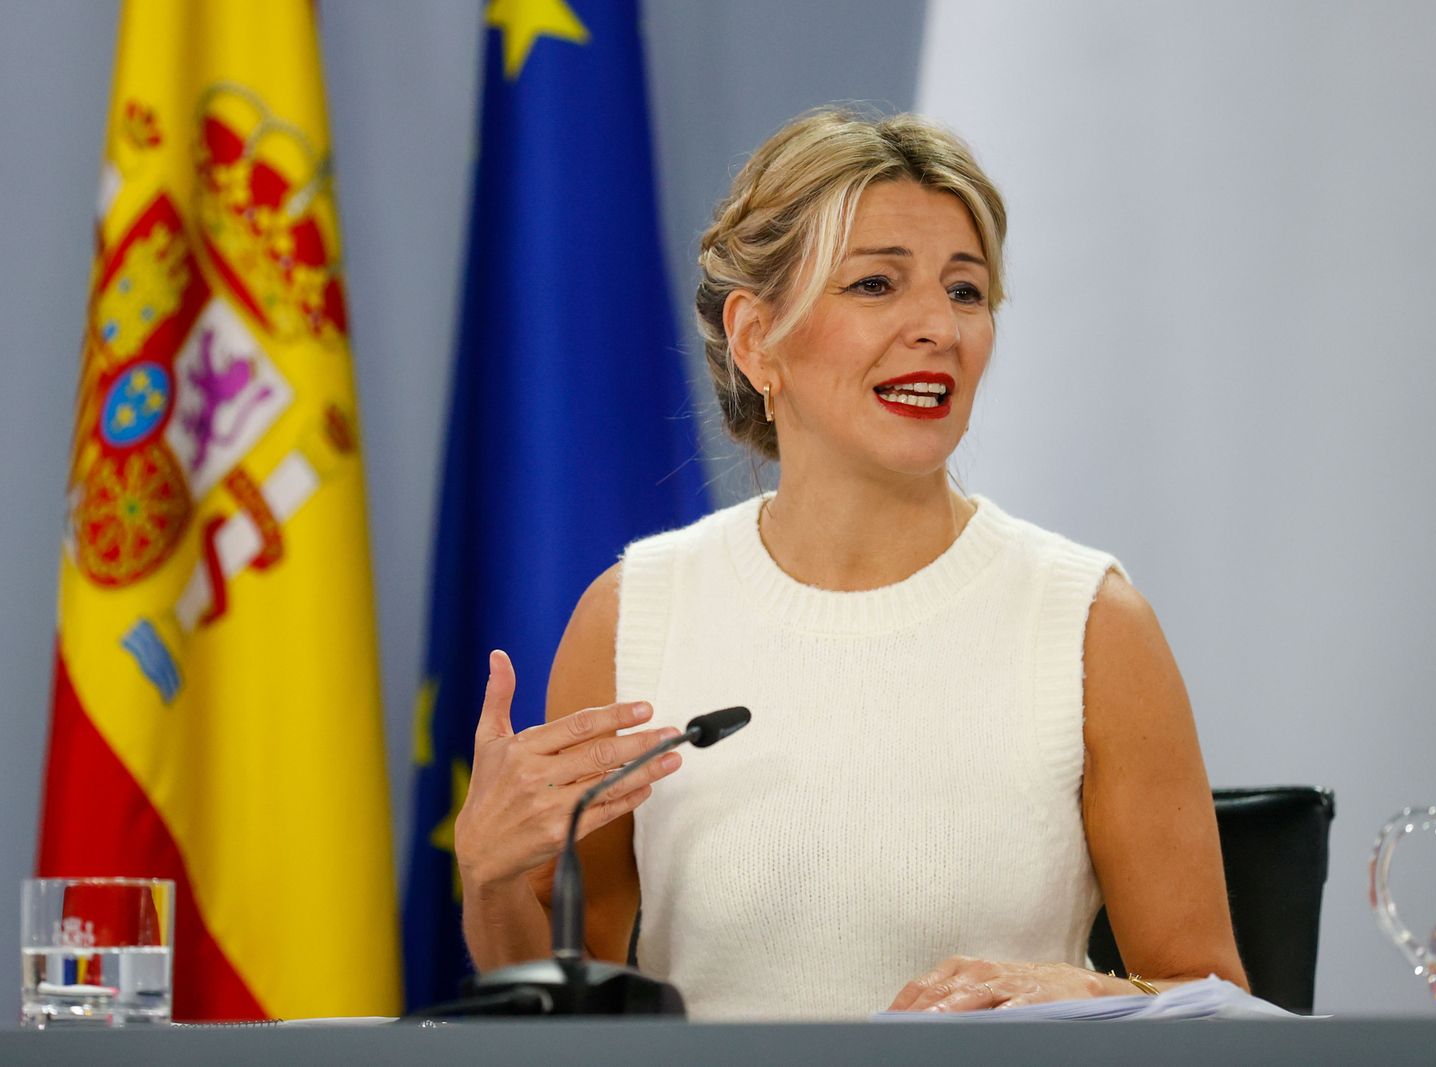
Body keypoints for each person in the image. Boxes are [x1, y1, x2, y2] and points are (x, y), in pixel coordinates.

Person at [452, 108, 1247, 1020]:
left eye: (966, 291)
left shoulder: (1089, 621)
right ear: (756, 338)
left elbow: (1214, 1006)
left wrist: (1079, 993)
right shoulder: (638, 614)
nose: (937, 329)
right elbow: (568, 1011)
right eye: (877, 284)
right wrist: (489, 877)